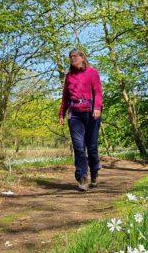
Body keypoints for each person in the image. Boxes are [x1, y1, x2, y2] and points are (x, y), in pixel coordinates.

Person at [59, 48, 103, 191]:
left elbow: (98, 92)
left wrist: (97, 107)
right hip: (75, 114)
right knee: (79, 148)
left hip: (91, 112)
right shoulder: (69, 76)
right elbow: (65, 97)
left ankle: (94, 171)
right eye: (70, 57)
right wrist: (61, 114)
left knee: (92, 147)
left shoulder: (92, 72)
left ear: (82, 57)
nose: (72, 59)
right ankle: (82, 177)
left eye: (75, 56)